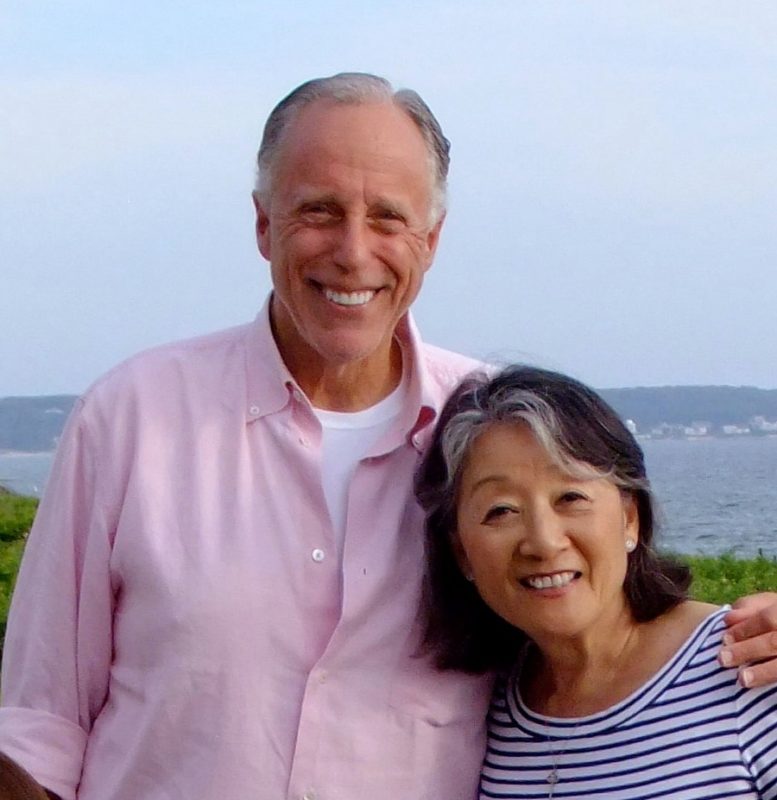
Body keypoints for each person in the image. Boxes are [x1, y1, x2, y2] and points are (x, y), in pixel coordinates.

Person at [0, 73, 775, 800]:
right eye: (319, 210)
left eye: (387, 218)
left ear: (430, 240)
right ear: (263, 224)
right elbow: (38, 725)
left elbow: (591, 599)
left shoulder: (489, 432)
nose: (353, 251)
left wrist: (751, 629)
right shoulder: (131, 416)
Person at [417, 365, 777, 798]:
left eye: (571, 497)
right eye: (502, 510)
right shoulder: (486, 713)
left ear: (630, 518)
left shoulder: (749, 667)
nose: (544, 542)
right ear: (462, 553)